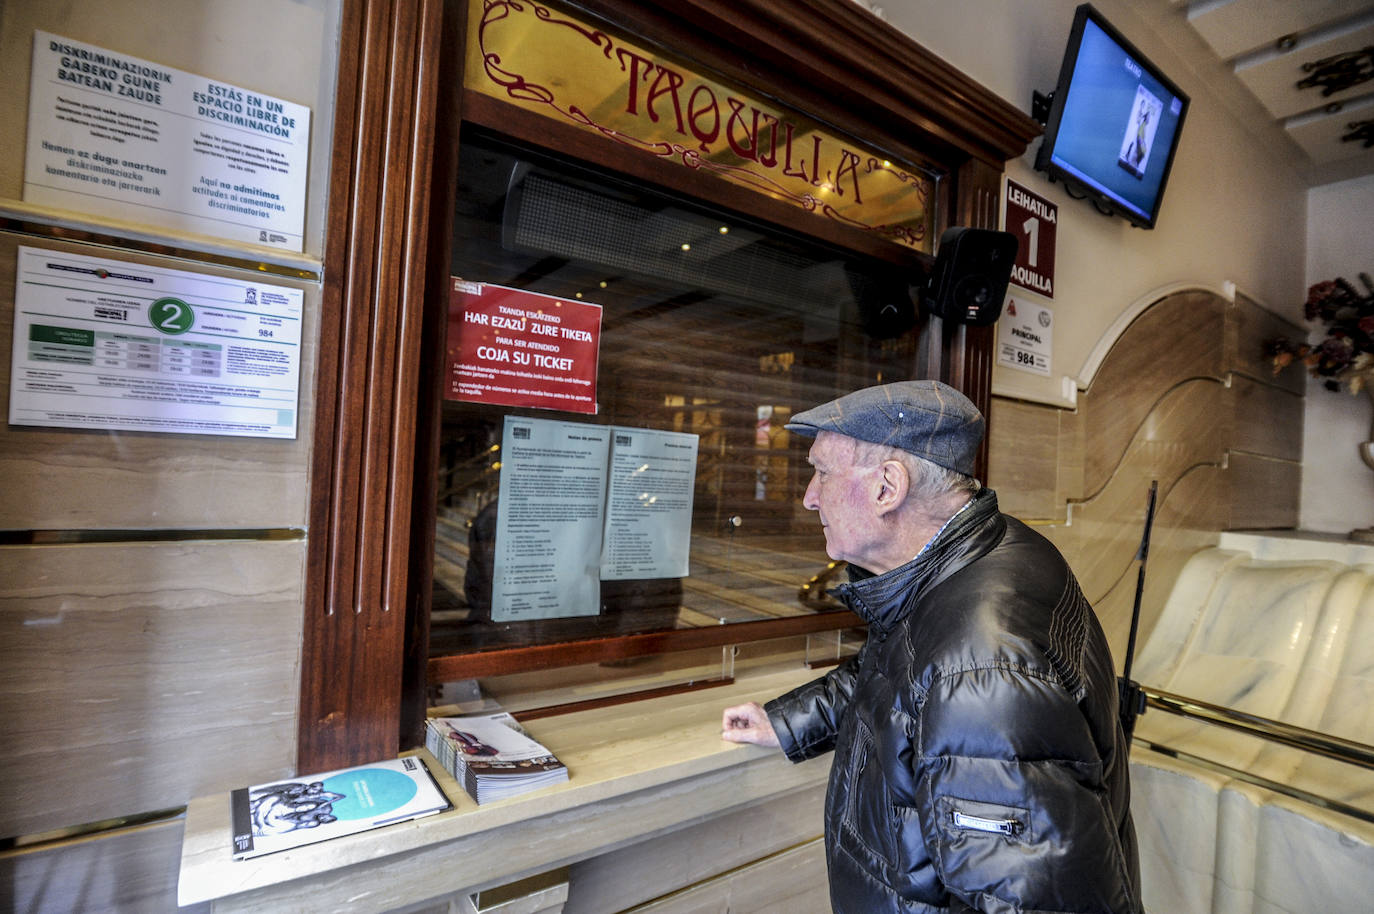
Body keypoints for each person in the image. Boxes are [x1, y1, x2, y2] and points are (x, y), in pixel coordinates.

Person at [721, 380, 1140, 913]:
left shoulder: (982, 669)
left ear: (886, 488)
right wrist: (786, 721)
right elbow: (899, 669)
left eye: (821, 472)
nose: (808, 495)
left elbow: (1036, 901)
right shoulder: (975, 557)